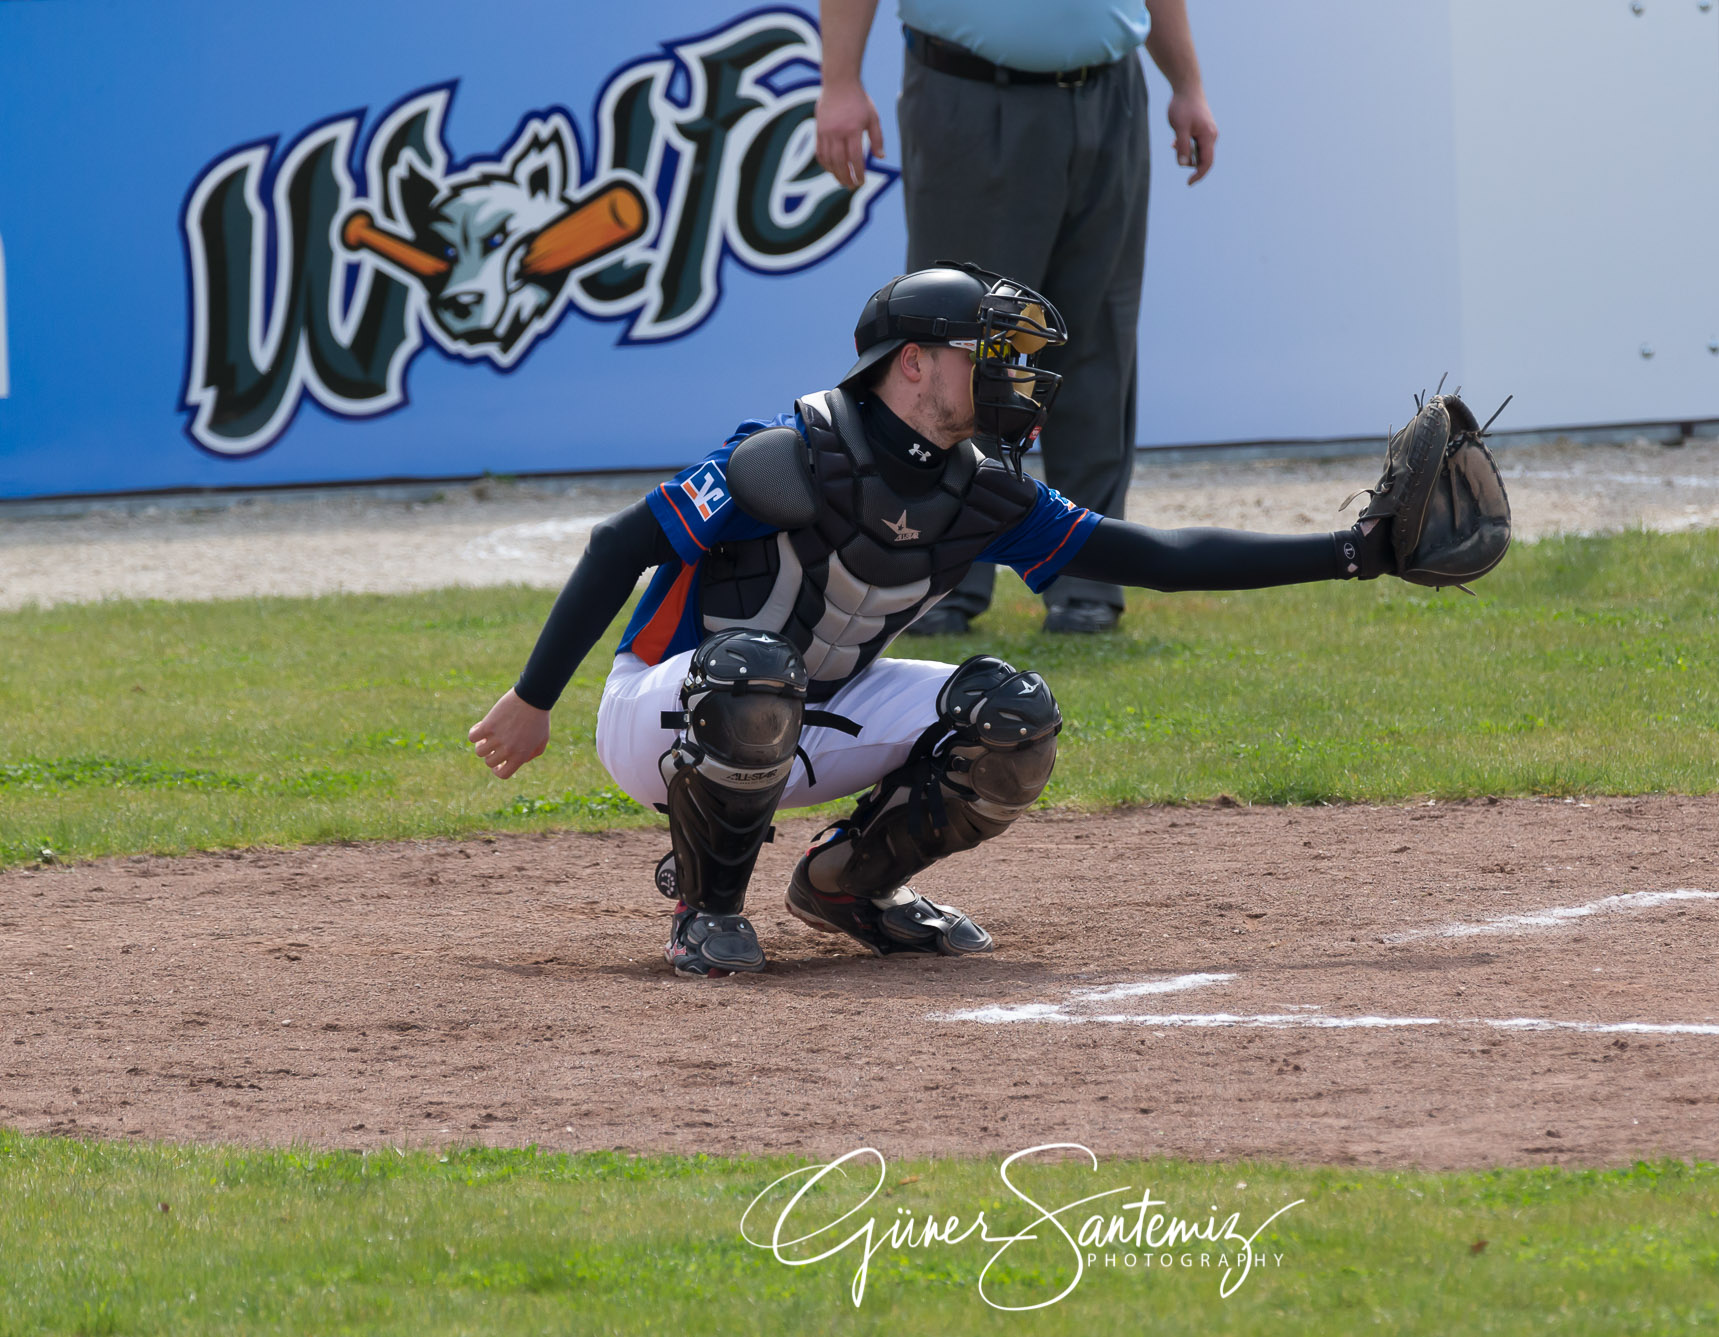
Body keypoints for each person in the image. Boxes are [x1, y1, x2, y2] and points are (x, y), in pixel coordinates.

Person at [467, 265, 1509, 977]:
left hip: (813, 715)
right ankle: (707, 907)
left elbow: (1153, 556)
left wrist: (1351, 556)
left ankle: (846, 889)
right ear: (911, 362)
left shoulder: (984, 491)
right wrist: (532, 698)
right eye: (986, 349)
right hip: (663, 712)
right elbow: (619, 546)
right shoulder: (787, 452)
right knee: (749, 673)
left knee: (1010, 714)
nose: (1014, 370)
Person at [813, 0, 1221, 635]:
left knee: (1096, 341)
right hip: (971, 93)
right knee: (960, 341)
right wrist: (839, 80)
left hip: (1110, 92)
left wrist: (1187, 83)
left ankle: (1088, 573)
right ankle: (942, 573)